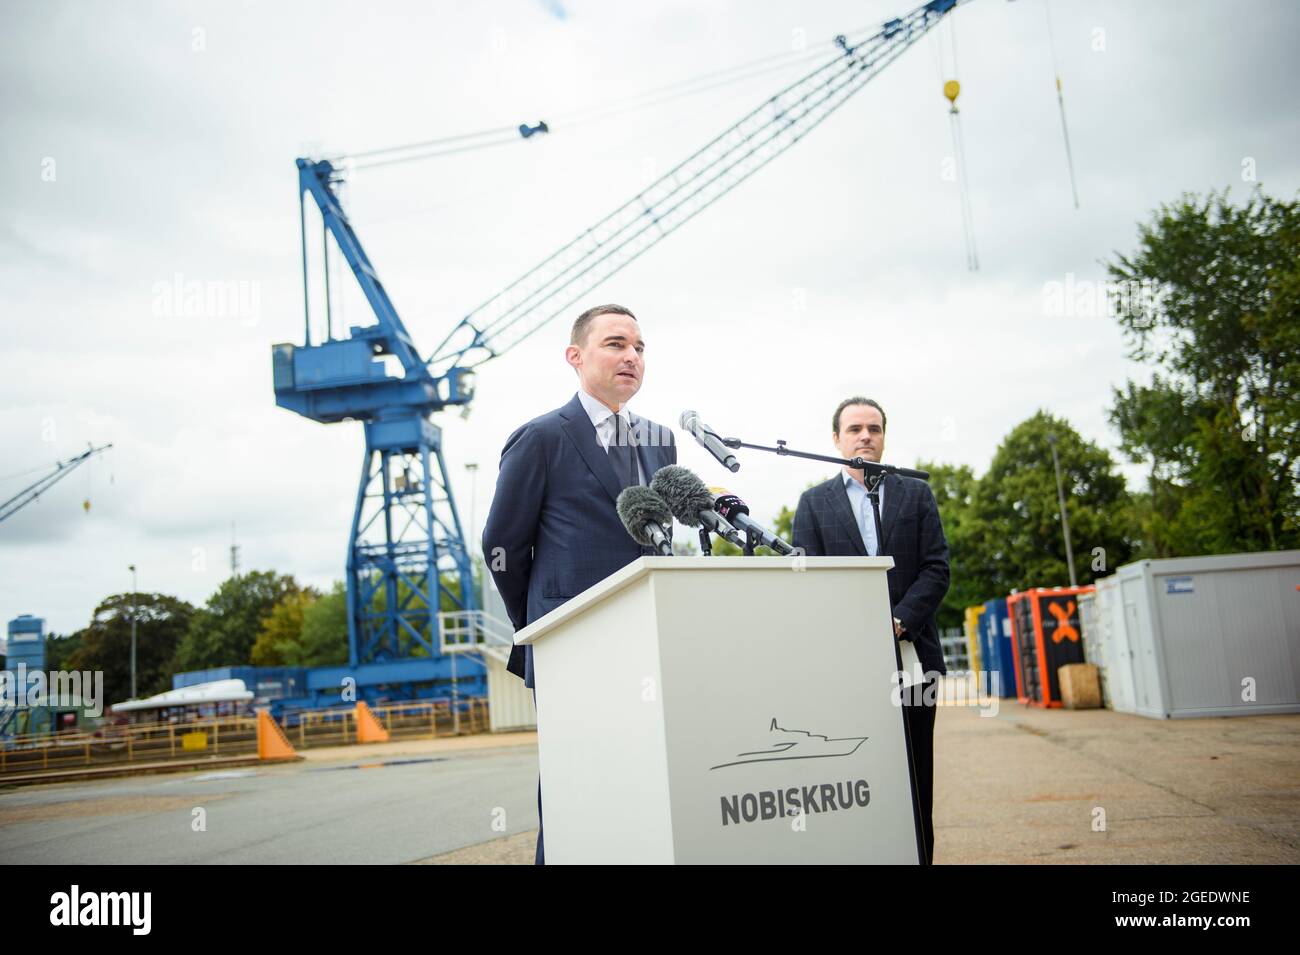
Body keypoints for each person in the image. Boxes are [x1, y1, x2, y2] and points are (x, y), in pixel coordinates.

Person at [480, 303, 677, 865]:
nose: (632, 357)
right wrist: (544, 627)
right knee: (576, 792)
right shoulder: (541, 437)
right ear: (575, 356)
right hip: (574, 647)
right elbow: (501, 548)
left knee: (645, 784)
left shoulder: (661, 441)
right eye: (616, 344)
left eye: (640, 348)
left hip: (646, 647)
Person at [791, 396, 949, 864]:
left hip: (914, 662)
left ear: (884, 437)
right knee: (858, 779)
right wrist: (858, 631)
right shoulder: (814, 504)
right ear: (836, 439)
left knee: (916, 779)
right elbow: (807, 581)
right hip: (846, 669)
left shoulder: (915, 494)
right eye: (855, 429)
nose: (865, 436)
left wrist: (899, 621)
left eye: (874, 429)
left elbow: (936, 569)